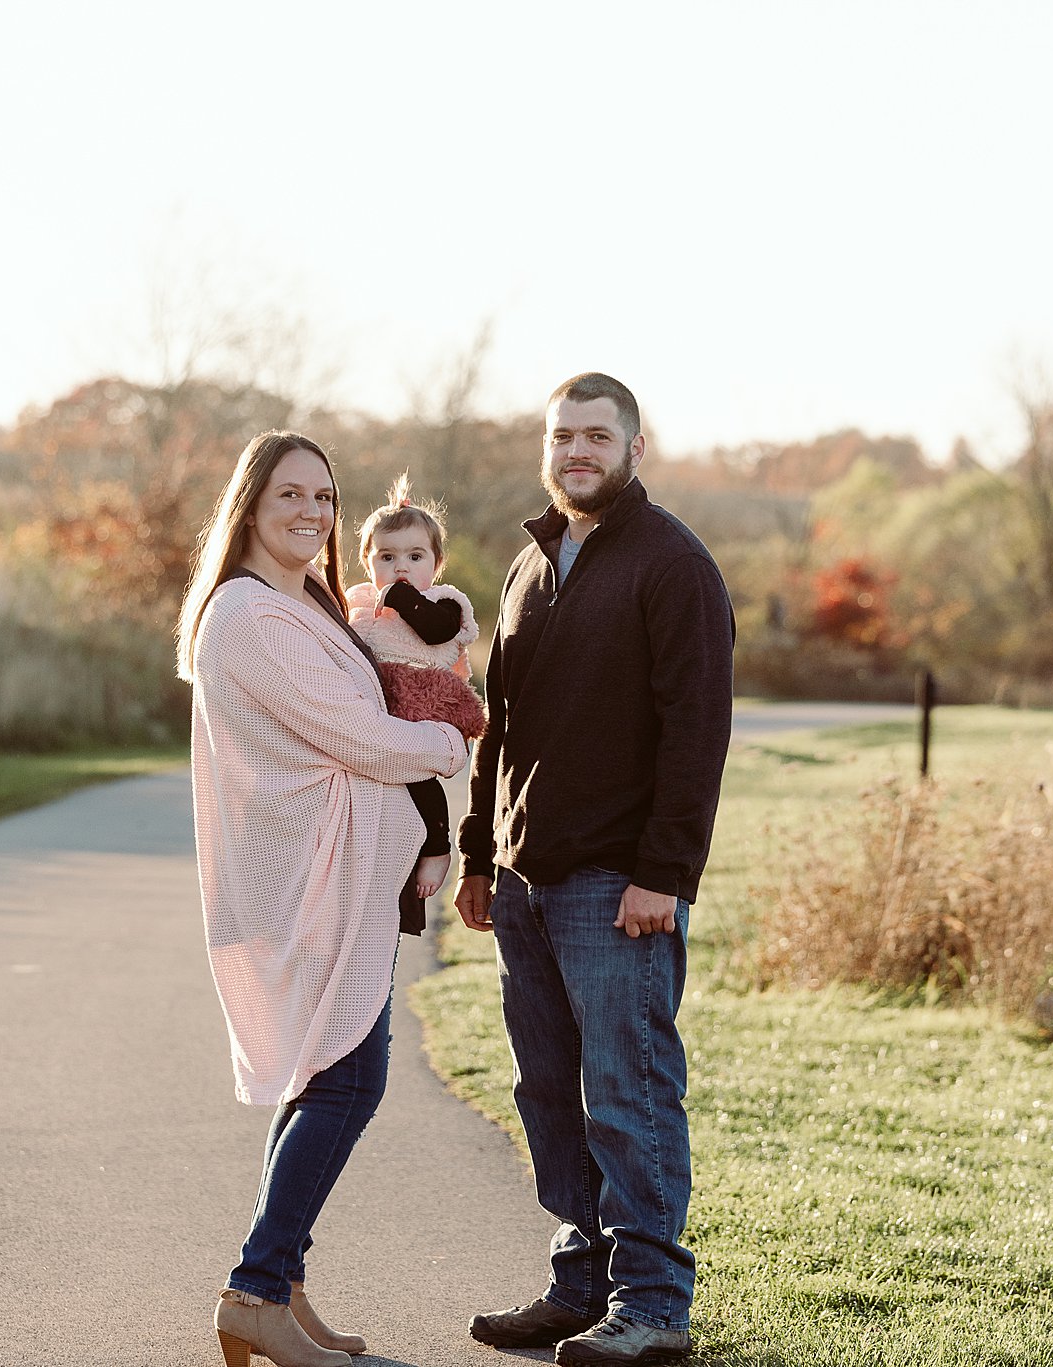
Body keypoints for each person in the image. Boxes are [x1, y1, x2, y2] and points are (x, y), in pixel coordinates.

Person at [454, 373, 735, 1366]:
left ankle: (652, 1303)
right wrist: (479, 852)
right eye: (562, 434)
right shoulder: (531, 565)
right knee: (547, 1093)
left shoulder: (672, 565)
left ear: (634, 445)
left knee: (628, 1091)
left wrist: (663, 873)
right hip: (526, 882)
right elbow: (500, 725)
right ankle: (578, 1283)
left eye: (595, 435)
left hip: (618, 885)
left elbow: (696, 733)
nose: (576, 450)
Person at [177, 430, 469, 1367]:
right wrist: (454, 743)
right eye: (292, 494)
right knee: (348, 1077)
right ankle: (256, 1287)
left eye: (326, 497)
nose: (313, 512)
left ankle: (278, 1281)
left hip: (351, 880)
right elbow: (368, 737)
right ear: (250, 504)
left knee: (323, 1075)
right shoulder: (248, 616)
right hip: (312, 882)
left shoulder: (308, 603)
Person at [345, 472, 488, 904]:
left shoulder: (443, 602)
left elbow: (435, 631)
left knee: (421, 779)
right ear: (367, 560)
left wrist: (402, 597)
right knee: (381, 782)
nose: (400, 567)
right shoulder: (360, 605)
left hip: (424, 698)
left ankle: (437, 847)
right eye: (386, 557)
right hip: (377, 700)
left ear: (436, 564)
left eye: (414, 556)